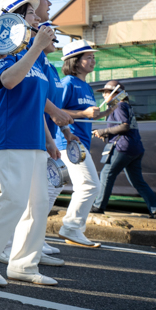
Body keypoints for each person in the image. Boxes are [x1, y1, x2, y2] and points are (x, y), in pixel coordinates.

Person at [0, 0, 68, 288]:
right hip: (11, 134)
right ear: (17, 18)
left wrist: (49, 139)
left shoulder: (31, 56)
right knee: (14, 199)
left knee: (36, 203)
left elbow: (36, 103)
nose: (38, 18)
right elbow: (8, 81)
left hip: (34, 136)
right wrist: (36, 47)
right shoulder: (6, 48)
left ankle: (23, 263)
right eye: (32, 14)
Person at [55, 40, 110, 248]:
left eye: (93, 56)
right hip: (67, 141)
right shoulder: (68, 82)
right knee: (89, 185)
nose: (93, 60)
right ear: (75, 62)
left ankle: (37, 240)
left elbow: (86, 116)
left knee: (52, 191)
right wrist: (84, 113)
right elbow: (54, 111)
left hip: (80, 143)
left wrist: (107, 112)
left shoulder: (86, 86)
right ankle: (71, 228)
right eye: (88, 57)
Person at [93, 80, 156, 218]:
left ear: (117, 93)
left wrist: (103, 131)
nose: (104, 95)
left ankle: (98, 206)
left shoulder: (118, 105)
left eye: (107, 92)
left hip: (123, 147)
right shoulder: (123, 104)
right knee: (138, 181)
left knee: (106, 174)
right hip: (135, 147)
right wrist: (107, 133)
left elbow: (124, 126)